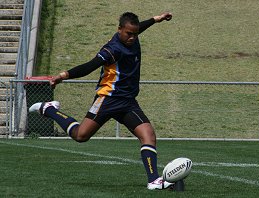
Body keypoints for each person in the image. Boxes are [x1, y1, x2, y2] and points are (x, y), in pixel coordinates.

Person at [29, 11, 173, 190]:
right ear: (119, 29)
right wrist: (63, 76)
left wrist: (155, 19)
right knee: (81, 136)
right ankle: (48, 109)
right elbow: (89, 66)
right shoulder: (112, 50)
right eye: (129, 33)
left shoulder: (132, 37)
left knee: (148, 135)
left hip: (128, 102)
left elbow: (138, 28)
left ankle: (153, 180)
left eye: (135, 34)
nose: (133, 37)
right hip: (107, 99)